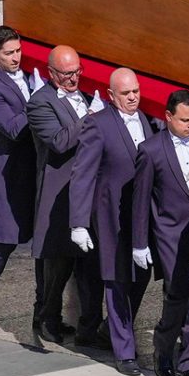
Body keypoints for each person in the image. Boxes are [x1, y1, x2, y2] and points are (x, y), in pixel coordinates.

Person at [70, 68, 156, 376]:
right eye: (125, 93)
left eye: (135, 91)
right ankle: (125, 351)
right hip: (111, 219)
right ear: (111, 95)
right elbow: (82, 174)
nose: (132, 97)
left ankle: (111, 330)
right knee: (117, 281)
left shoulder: (145, 120)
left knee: (141, 277)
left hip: (142, 218)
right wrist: (79, 222)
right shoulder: (98, 125)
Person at [132, 89, 189, 376]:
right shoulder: (151, 150)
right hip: (170, 234)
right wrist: (139, 242)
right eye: (184, 120)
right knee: (178, 294)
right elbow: (141, 199)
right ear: (168, 116)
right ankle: (164, 349)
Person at [26, 44, 108, 346]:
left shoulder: (85, 95)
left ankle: (89, 327)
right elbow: (59, 142)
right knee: (57, 266)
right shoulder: (40, 103)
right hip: (59, 194)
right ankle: (48, 319)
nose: (74, 79)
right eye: (66, 74)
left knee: (89, 265)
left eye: (77, 72)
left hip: (88, 189)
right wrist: (90, 117)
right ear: (51, 73)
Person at [0, 26, 44, 326]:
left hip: (38, 169)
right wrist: (41, 101)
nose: (16, 57)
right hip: (10, 173)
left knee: (43, 242)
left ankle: (44, 309)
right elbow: (12, 128)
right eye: (9, 53)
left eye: (18, 51)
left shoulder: (27, 74)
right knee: (1, 243)